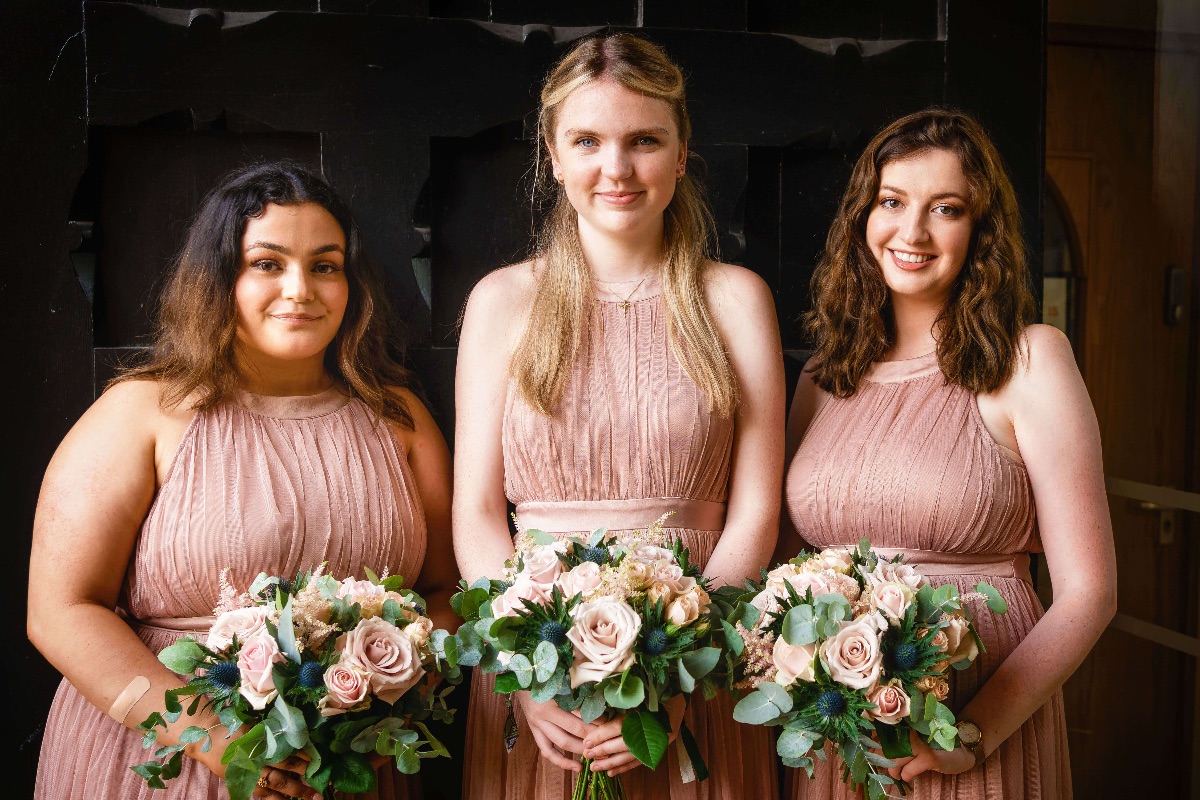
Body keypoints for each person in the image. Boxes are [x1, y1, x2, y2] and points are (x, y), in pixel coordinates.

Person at [28, 162, 457, 800]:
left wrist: (378, 705)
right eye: (267, 263)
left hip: (351, 765)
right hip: (170, 757)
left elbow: (448, 592)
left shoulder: (402, 420)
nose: (300, 289)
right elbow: (60, 612)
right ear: (220, 277)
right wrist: (215, 742)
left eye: (326, 264)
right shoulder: (142, 413)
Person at [453, 33, 784, 800]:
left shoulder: (736, 300)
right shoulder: (503, 301)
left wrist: (679, 670)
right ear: (553, 154)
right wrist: (525, 671)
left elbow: (757, 511)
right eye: (588, 141)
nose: (617, 168)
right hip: (539, 675)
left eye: (644, 140)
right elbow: (473, 514)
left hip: (700, 666)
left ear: (681, 149)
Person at [781, 109, 1117, 798]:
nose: (913, 232)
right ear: (863, 218)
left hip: (975, 722)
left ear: (980, 232)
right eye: (893, 202)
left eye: (946, 209)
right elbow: (785, 573)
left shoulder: (1031, 361)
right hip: (844, 736)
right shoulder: (820, 377)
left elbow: (1090, 592)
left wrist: (972, 734)